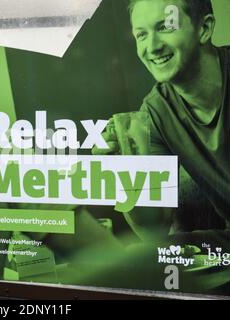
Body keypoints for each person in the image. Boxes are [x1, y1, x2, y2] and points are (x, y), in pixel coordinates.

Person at [95, 0, 230, 244]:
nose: (152, 47)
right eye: (141, 35)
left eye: (166, 27)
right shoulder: (155, 112)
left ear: (204, 28)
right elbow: (153, 230)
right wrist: (128, 171)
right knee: (154, 253)